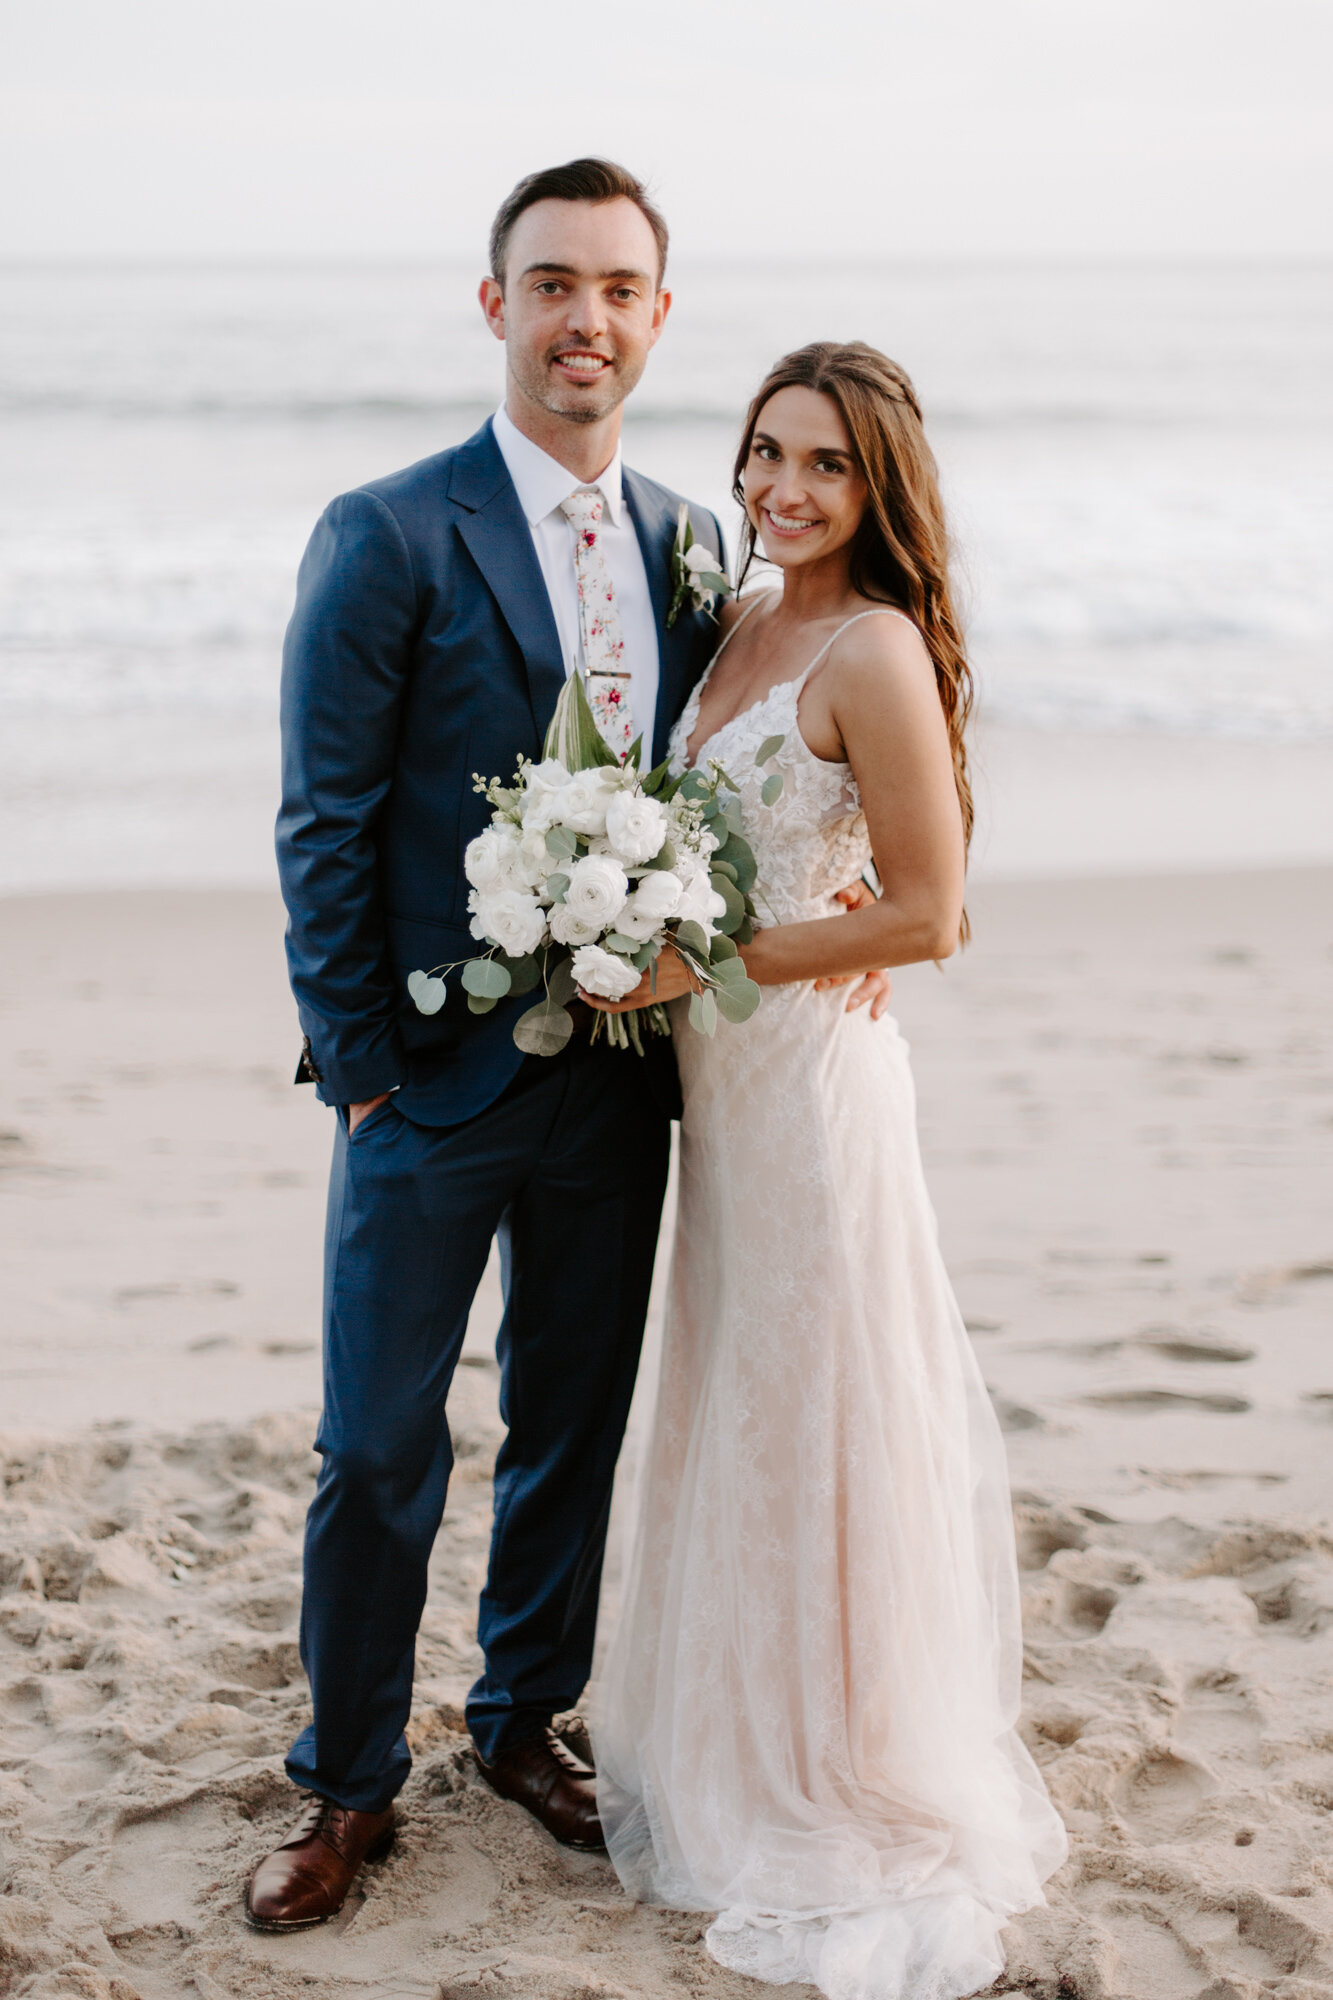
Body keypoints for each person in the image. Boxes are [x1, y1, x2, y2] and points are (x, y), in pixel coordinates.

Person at [247, 165, 886, 1933]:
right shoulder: (385, 531)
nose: (583, 318)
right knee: (377, 1444)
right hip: (426, 1086)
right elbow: (324, 817)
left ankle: (522, 1721)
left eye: (617, 287)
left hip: (623, 1082)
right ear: (496, 307)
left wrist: (845, 915)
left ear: (657, 317)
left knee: (570, 1423)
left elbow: (761, 761)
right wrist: (357, 1062)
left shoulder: (698, 540)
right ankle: (345, 1781)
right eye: (550, 285)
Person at [586, 343, 1068, 2000]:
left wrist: (711, 954)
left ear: (880, 490)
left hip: (805, 1093)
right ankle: (730, 1721)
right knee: (742, 1396)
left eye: (825, 468)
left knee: (816, 1404)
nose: (783, 490)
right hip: (724, 1089)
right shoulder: (736, 616)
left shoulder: (867, 647)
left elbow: (929, 916)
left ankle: (828, 1760)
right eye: (765, 454)